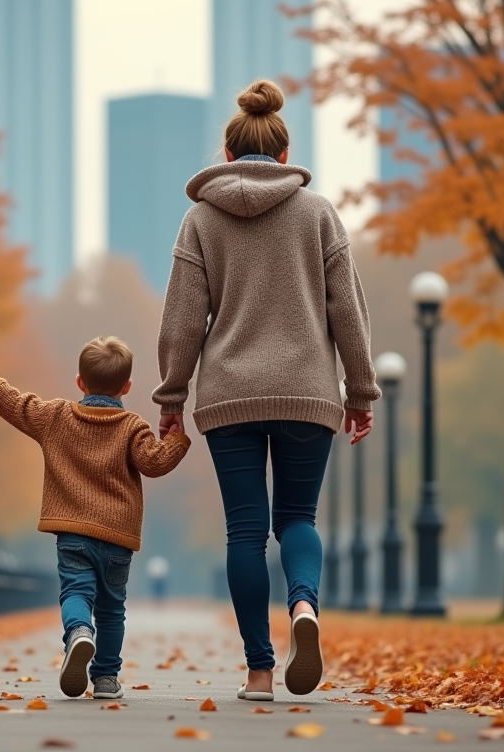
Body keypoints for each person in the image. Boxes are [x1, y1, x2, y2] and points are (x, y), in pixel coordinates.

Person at [153, 79, 380, 702]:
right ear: (284, 156)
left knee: (244, 533)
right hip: (308, 391)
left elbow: (181, 318)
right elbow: (348, 312)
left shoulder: (200, 218)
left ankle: (259, 671)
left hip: (228, 398)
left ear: (227, 158)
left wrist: (171, 398)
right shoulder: (318, 213)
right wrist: (359, 390)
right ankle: (304, 609)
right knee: (299, 518)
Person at [0, 336, 190, 699]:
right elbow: (154, 463)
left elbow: (19, 405)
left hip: (72, 533)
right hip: (116, 537)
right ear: (127, 386)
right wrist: (175, 440)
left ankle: (79, 632)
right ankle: (107, 679)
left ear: (80, 381)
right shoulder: (132, 426)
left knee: (76, 592)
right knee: (112, 609)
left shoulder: (56, 417)